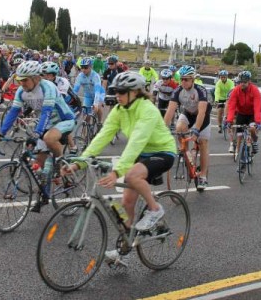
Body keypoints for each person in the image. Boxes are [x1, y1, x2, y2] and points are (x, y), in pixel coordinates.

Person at [61, 71, 176, 267]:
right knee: (126, 202)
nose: (118, 96)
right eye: (116, 91)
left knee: (131, 176)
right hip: (142, 154)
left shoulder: (147, 109)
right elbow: (102, 136)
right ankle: (125, 246)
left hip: (162, 151)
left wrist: (117, 172)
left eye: (122, 92)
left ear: (136, 92)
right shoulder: (119, 110)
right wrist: (80, 161)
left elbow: (137, 141)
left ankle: (155, 209)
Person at [0, 61, 76, 187]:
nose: (21, 83)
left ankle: (61, 165)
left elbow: (46, 112)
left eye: (25, 80)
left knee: (49, 138)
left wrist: (37, 134)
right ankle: (43, 195)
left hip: (64, 120)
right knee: (39, 164)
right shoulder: (21, 91)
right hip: (47, 125)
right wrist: (1, 133)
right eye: (19, 80)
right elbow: (13, 112)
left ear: (36, 78)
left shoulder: (47, 87)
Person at [164, 65, 212, 189]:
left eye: (186, 79)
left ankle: (203, 176)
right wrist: (163, 128)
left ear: (192, 80)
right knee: (179, 129)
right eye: (181, 79)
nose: (183, 82)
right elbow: (170, 111)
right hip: (187, 113)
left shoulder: (200, 90)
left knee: (203, 142)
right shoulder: (178, 90)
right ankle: (185, 152)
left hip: (202, 116)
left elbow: (202, 112)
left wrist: (196, 129)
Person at [40, 61, 80, 153]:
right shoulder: (44, 83)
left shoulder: (62, 81)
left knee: (63, 121)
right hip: (59, 106)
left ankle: (73, 146)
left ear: (52, 75)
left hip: (72, 105)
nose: (42, 77)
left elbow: (58, 98)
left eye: (44, 74)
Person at [225, 71, 261, 154]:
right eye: (240, 82)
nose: (242, 84)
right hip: (241, 113)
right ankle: (237, 150)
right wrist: (229, 120)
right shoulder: (236, 91)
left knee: (252, 129)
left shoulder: (255, 90)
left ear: (249, 81)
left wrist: (258, 122)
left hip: (252, 114)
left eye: (244, 82)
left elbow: (257, 107)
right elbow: (231, 107)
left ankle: (255, 142)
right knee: (239, 134)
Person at [73, 57, 105, 125]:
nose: (83, 70)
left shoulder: (95, 76)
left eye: (86, 67)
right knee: (86, 116)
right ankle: (84, 134)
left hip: (99, 94)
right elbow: (75, 90)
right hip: (88, 95)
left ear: (91, 67)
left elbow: (97, 91)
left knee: (98, 107)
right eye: (82, 67)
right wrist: (72, 102)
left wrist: (96, 103)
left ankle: (100, 122)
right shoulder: (80, 76)